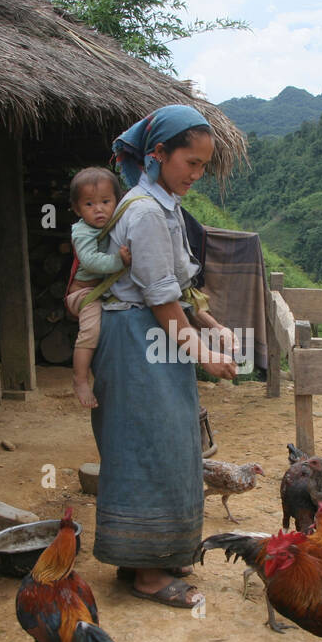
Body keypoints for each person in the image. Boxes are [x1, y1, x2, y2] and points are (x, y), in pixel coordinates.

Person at [91, 104, 239, 608]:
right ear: (158, 154)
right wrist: (204, 355)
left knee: (171, 443)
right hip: (136, 342)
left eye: (203, 166)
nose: (196, 174)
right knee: (146, 446)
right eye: (190, 164)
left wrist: (211, 329)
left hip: (152, 340)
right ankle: (147, 574)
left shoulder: (164, 205)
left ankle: (151, 553)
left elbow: (178, 289)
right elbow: (160, 299)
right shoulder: (148, 212)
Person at [64, 166, 137, 408]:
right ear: (77, 209)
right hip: (83, 294)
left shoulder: (115, 224)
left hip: (101, 291)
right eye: (89, 204)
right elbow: (90, 261)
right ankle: (80, 378)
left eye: (106, 202)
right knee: (91, 331)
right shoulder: (82, 232)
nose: (99, 210)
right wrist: (119, 261)